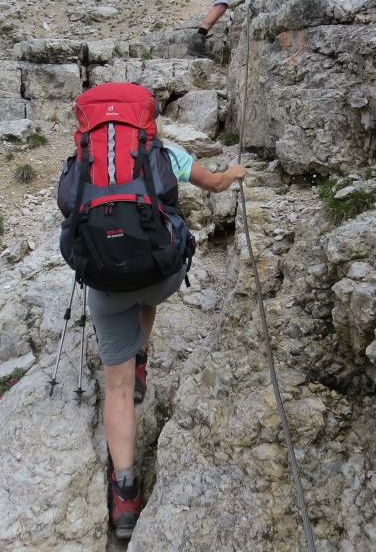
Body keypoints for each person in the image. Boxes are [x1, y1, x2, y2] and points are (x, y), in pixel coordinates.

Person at [93, 145, 246, 539]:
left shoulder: (86, 159)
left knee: (118, 388)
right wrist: (234, 172)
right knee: (151, 281)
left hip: (107, 283)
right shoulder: (164, 152)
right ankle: (140, 352)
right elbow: (214, 184)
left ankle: (125, 495)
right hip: (161, 276)